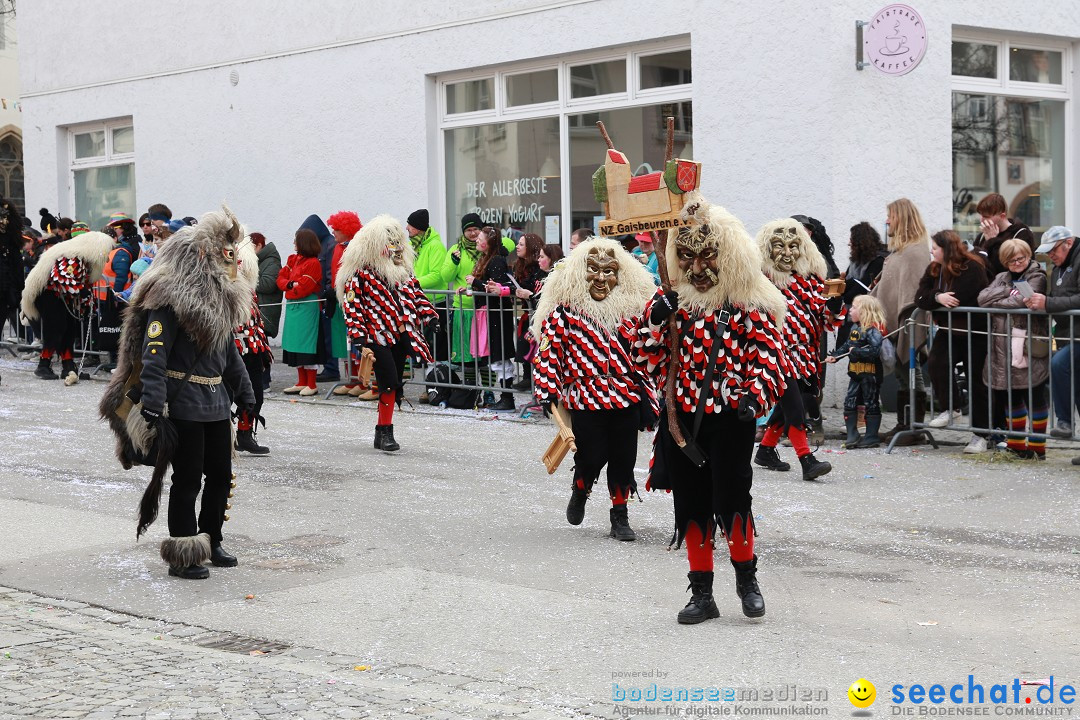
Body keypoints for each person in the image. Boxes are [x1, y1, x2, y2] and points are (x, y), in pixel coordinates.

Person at [634, 195, 788, 623]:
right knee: (691, 503)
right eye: (687, 259)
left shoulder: (746, 303)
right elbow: (645, 361)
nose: (698, 269)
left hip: (731, 418)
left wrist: (755, 396)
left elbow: (770, 356)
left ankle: (746, 579)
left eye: (708, 258)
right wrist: (653, 321)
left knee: (733, 498)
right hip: (682, 422)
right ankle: (702, 593)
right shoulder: (672, 303)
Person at [99, 207, 255, 580]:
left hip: (216, 404)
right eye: (223, 252)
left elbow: (228, 353)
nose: (229, 259)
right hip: (181, 404)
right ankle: (185, 550)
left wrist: (247, 393)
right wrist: (153, 402)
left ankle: (212, 537)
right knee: (188, 480)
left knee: (221, 476)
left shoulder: (222, 299)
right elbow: (155, 355)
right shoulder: (167, 297)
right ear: (202, 254)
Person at [532, 236, 658, 542]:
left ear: (620, 275)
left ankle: (620, 516)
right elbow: (548, 352)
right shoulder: (565, 313)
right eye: (593, 270)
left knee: (624, 458)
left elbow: (652, 345)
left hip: (625, 395)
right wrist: (547, 388)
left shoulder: (631, 311)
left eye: (609, 271)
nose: (601, 278)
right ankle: (581, 488)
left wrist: (663, 316)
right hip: (585, 397)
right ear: (580, 272)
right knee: (590, 456)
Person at [752, 218, 843, 481]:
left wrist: (834, 306)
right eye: (780, 246)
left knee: (797, 399)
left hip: (804, 353)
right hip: (774, 352)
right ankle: (807, 459)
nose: (788, 253)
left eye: (794, 246)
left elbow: (823, 311)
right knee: (793, 404)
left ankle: (766, 449)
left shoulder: (810, 278)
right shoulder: (760, 280)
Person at [339, 214, 438, 452]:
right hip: (376, 336)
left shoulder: (403, 271)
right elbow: (352, 306)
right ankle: (385, 432)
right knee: (389, 382)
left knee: (395, 384)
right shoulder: (360, 274)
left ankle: (381, 431)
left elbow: (417, 295)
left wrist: (430, 316)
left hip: (400, 335)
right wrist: (359, 336)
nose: (395, 248)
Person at [914, 230, 992, 453]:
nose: (931, 251)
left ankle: (981, 435)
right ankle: (952, 407)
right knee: (936, 364)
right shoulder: (934, 268)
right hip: (949, 329)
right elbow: (919, 297)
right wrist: (938, 297)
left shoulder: (972, 266)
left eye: (935, 248)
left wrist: (936, 297)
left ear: (946, 249)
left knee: (976, 381)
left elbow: (959, 298)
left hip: (974, 331)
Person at [977, 239, 1049, 459]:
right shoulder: (1001, 278)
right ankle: (1016, 445)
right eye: (1012, 259)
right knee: (1011, 395)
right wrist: (1009, 292)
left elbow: (1022, 302)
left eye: (1021, 258)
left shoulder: (1037, 276)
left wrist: (999, 298)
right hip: (1002, 346)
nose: (1017, 263)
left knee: (1034, 394)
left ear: (1028, 256)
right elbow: (981, 299)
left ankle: (1037, 448)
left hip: (1028, 344)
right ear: (1005, 261)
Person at [871, 198, 932, 444]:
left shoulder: (916, 250)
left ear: (902, 218)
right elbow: (888, 285)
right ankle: (903, 423)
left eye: (891, 216)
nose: (887, 221)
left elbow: (913, 290)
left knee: (911, 370)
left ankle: (914, 427)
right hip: (893, 323)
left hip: (908, 321)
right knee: (901, 373)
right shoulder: (899, 250)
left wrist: (907, 316)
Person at [21, 230, 113, 384]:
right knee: (56, 329)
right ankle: (43, 364)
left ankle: (68, 365)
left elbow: (84, 284)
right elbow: (60, 276)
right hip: (49, 296)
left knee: (69, 330)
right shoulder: (72, 257)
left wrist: (87, 302)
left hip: (64, 298)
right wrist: (81, 290)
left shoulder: (86, 262)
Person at [1023, 227, 1080, 449]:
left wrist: (1047, 303)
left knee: (1058, 364)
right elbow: (1059, 298)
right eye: (1047, 252)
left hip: (1077, 336)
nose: (1051, 256)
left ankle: (1064, 422)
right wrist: (1039, 302)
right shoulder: (1058, 268)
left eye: (1053, 250)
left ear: (1068, 242)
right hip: (1068, 334)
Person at [827, 294, 888, 448]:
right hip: (855, 373)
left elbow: (874, 351)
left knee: (871, 403)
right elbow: (848, 345)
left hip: (870, 374)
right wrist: (836, 356)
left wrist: (857, 352)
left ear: (865, 311)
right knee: (850, 402)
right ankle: (852, 435)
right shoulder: (855, 328)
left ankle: (871, 436)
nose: (849, 310)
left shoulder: (873, 330)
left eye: (854, 308)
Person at [468, 226, 517, 410]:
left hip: (496, 315)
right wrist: (470, 289)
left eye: (480, 237)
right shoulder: (487, 258)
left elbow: (496, 288)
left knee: (500, 355)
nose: (476, 240)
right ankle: (504, 397)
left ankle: (507, 398)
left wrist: (475, 283)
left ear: (489, 241)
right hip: (489, 314)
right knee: (495, 355)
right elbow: (487, 287)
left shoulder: (496, 260)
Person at [276, 228, 325, 396]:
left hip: (307, 308)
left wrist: (289, 285)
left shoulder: (313, 263)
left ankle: (312, 383)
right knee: (294, 343)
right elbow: (280, 279)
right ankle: (301, 381)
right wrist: (291, 285)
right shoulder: (293, 259)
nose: (293, 244)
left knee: (306, 344)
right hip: (293, 307)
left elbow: (304, 288)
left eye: (296, 240)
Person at [326, 211, 364, 396]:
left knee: (356, 342)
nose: (333, 232)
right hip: (341, 298)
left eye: (337, 229)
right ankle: (351, 380)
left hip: (353, 299)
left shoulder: (356, 248)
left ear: (347, 230)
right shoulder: (338, 247)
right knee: (344, 342)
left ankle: (362, 381)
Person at [439, 213, 485, 366]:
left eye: (476, 229)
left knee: (485, 355)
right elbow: (446, 277)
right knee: (466, 356)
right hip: (462, 310)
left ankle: (487, 389)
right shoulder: (456, 249)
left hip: (484, 309)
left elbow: (508, 244)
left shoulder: (488, 247)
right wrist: (453, 262)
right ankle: (470, 389)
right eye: (468, 230)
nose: (472, 233)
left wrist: (490, 239)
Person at [839, 222, 888, 339]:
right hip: (850, 316)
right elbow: (845, 285)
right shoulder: (855, 261)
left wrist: (849, 286)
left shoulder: (878, 261)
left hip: (867, 321)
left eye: (852, 241)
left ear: (861, 243)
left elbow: (861, 290)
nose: (849, 243)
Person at [511, 233, 547, 391]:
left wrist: (527, 293)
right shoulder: (519, 266)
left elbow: (536, 291)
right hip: (528, 312)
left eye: (521, 244)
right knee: (525, 345)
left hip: (538, 314)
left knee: (535, 349)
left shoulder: (538, 270)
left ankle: (534, 381)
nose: (517, 247)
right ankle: (527, 377)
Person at [972, 193, 1035, 276]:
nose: (982, 220)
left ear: (1002, 216)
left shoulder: (1021, 234)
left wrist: (992, 241)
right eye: (981, 215)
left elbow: (1010, 267)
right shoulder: (982, 236)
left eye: (986, 216)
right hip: (986, 287)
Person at [0, 197, 24, 384]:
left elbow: (16, 267)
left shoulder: (11, 243)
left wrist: (17, 291)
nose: (3, 221)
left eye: (5, 217)